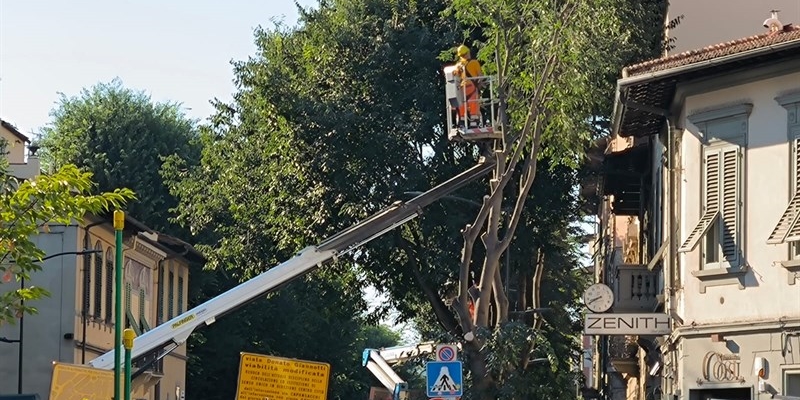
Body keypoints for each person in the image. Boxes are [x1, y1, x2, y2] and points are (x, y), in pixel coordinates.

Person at [453, 44, 483, 128]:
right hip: (472, 87)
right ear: (468, 52)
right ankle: (474, 123)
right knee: (473, 103)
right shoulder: (474, 63)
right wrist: (479, 87)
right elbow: (480, 76)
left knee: (462, 104)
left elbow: (456, 77)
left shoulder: (458, 65)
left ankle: (461, 122)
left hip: (462, 88)